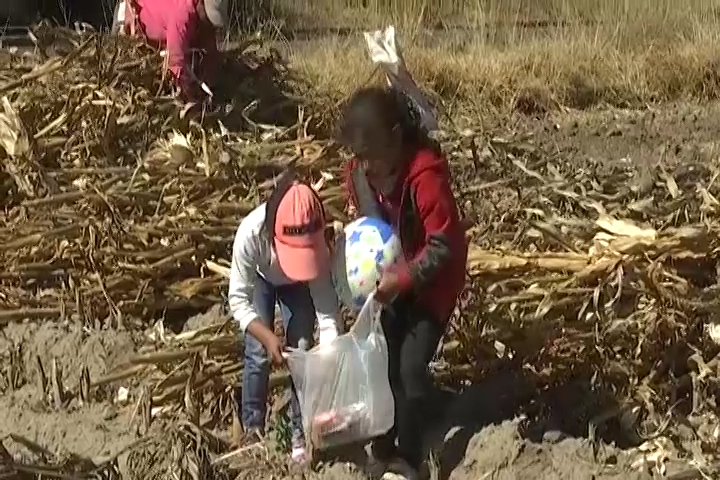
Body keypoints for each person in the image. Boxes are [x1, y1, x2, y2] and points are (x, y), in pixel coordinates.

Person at [337, 86, 468, 480]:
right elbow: (370, 222)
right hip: (391, 278)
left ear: (396, 139)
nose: (367, 167)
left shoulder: (425, 175)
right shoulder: (362, 174)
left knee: (410, 369)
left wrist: (406, 277)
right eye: (360, 159)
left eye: (372, 157)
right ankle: (384, 444)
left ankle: (409, 458)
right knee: (383, 360)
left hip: (432, 282)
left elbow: (444, 245)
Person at [227, 170, 343, 464]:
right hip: (262, 280)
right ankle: (253, 430)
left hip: (298, 286)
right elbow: (238, 300)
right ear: (272, 234)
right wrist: (266, 336)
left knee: (302, 348)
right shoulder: (251, 235)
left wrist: (327, 358)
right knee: (256, 354)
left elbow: (327, 312)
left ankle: (299, 432)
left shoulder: (316, 244)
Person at [117, 0, 228, 103]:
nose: (209, 22)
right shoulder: (181, 15)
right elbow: (175, 63)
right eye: (209, 17)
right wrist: (189, 95)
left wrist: (213, 80)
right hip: (134, 22)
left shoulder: (203, 19)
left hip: (166, 36)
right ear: (201, 3)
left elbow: (210, 52)